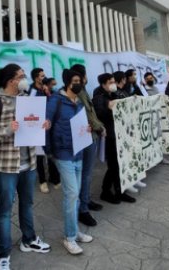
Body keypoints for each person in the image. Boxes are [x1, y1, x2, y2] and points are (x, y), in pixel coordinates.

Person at [0, 64, 51, 270]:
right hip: (7, 167)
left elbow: (33, 124)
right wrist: (7, 130)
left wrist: (44, 124)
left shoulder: (27, 100)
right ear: (11, 80)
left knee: (27, 204)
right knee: (5, 210)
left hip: (29, 164)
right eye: (21, 76)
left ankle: (29, 239)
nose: (25, 79)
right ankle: (4, 254)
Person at [46, 69, 94, 255]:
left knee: (75, 195)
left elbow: (81, 125)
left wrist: (87, 128)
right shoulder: (56, 101)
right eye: (74, 80)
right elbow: (45, 125)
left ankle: (74, 231)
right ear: (67, 82)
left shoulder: (80, 102)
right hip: (63, 153)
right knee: (72, 194)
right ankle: (69, 238)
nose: (78, 83)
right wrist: (49, 151)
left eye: (80, 80)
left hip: (78, 153)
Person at [70, 64, 105, 227]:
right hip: (86, 136)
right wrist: (99, 127)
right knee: (86, 174)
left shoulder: (83, 91)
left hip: (89, 135)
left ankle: (86, 200)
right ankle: (83, 209)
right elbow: (87, 114)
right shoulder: (79, 92)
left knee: (86, 174)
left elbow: (92, 114)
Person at [93, 72, 136, 205]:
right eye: (110, 82)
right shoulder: (99, 97)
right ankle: (105, 192)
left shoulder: (112, 94)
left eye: (113, 82)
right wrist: (108, 107)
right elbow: (99, 114)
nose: (113, 84)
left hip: (118, 133)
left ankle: (120, 191)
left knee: (119, 164)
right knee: (113, 165)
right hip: (109, 136)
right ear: (103, 84)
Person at [30, 69, 60, 194]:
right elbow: (30, 106)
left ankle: (54, 178)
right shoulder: (32, 91)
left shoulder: (48, 90)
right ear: (36, 78)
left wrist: (48, 93)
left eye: (44, 75)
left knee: (51, 153)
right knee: (40, 156)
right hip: (37, 127)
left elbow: (54, 103)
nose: (44, 77)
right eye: (42, 76)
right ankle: (42, 181)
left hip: (49, 126)